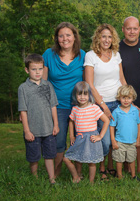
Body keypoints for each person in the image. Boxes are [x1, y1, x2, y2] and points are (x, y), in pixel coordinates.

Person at [42, 22, 85, 177]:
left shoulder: (83, 55)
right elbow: (43, 83)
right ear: (56, 38)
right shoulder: (48, 55)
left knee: (80, 140)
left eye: (68, 35)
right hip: (57, 107)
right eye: (61, 35)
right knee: (59, 141)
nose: (65, 38)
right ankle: (57, 173)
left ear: (74, 37)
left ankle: (78, 173)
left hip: (78, 106)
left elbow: (86, 83)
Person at [84, 24, 127, 180]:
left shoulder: (116, 55)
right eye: (103, 36)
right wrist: (103, 106)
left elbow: (121, 79)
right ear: (97, 38)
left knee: (116, 137)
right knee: (105, 140)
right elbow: (89, 84)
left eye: (109, 36)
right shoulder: (90, 56)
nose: (107, 40)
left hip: (118, 102)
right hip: (100, 104)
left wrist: (128, 98)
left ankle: (110, 167)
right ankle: (101, 168)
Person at [119, 16, 140, 174]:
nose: (132, 32)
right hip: (123, 101)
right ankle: (126, 166)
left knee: (139, 135)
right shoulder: (116, 48)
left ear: (139, 29)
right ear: (123, 30)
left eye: (135, 28)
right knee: (124, 134)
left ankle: (138, 168)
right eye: (128, 28)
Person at [18, 54, 59, 184]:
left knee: (49, 155)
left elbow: (53, 106)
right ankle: (34, 178)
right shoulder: (23, 88)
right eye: (34, 69)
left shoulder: (48, 85)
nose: (37, 72)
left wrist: (56, 125)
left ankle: (52, 179)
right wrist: (27, 131)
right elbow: (23, 111)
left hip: (48, 128)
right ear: (27, 70)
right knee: (33, 156)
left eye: (40, 69)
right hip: (33, 131)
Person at [63, 82, 110, 183]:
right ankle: (77, 176)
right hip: (79, 137)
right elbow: (71, 121)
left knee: (91, 162)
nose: (82, 97)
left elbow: (106, 121)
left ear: (89, 95)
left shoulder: (94, 108)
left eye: (85, 94)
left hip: (91, 138)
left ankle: (91, 182)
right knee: (70, 158)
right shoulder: (75, 109)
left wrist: (100, 136)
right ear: (75, 95)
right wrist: (71, 135)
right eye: (79, 94)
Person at [110, 85, 140, 180]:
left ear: (133, 98)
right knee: (119, 160)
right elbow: (112, 126)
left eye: (129, 98)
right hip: (120, 141)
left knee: (132, 159)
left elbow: (139, 124)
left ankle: (133, 175)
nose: (126, 100)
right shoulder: (116, 112)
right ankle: (119, 176)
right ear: (119, 98)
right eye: (123, 98)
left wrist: (138, 138)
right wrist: (113, 141)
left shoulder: (135, 110)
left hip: (132, 141)